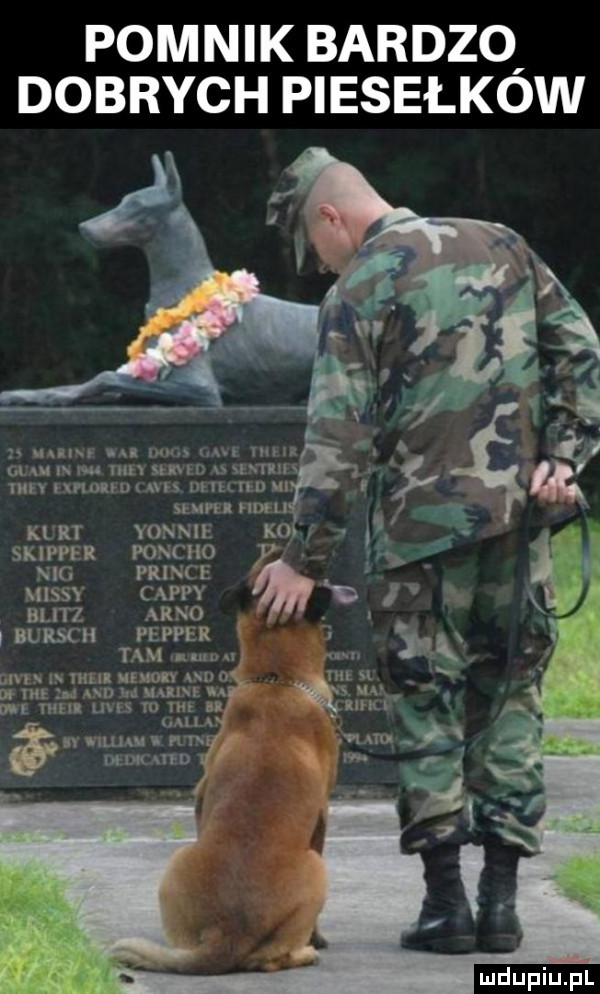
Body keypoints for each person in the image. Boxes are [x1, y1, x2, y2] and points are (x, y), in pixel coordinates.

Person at [253, 147, 600, 954]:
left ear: (330, 218)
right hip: (517, 535)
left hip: (416, 545)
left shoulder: (359, 290)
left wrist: (302, 557)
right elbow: (582, 353)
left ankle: (446, 907)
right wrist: (564, 458)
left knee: (427, 704)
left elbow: (337, 439)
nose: (323, 266)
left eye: (318, 249)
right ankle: (504, 905)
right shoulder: (504, 244)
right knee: (510, 698)